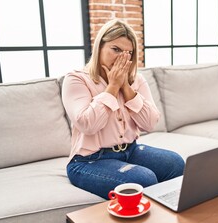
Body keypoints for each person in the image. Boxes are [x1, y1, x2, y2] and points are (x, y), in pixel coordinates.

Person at [62, 19, 185, 199]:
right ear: (100, 47)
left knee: (175, 163)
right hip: (88, 161)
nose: (122, 58)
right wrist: (112, 87)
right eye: (116, 49)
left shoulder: (137, 80)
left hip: (130, 150)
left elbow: (150, 123)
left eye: (128, 53)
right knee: (144, 179)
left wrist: (125, 87)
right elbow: (87, 125)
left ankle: (170, 216)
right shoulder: (76, 79)